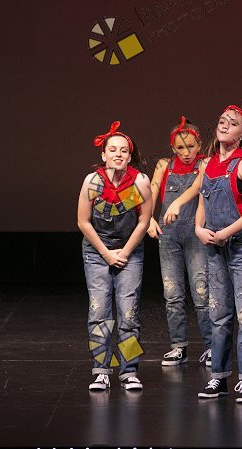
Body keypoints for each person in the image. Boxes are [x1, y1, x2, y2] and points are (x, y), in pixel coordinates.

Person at [182, 103, 242, 403]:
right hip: (215, 248)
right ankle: (219, 376)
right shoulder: (208, 165)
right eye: (222, 120)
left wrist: (226, 232)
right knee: (219, 314)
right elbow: (202, 204)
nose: (225, 124)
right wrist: (198, 228)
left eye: (233, 122)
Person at [77, 121, 152, 392]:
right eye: (112, 150)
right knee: (99, 312)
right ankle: (101, 370)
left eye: (123, 150)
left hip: (129, 250)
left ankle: (129, 370)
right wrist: (106, 254)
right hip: (98, 250)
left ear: (130, 156)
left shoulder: (140, 182)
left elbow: (144, 222)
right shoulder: (93, 181)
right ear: (103, 154)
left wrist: (125, 252)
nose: (118, 154)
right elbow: (83, 222)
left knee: (129, 313)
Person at [147, 117, 213, 368]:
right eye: (180, 148)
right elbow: (151, 193)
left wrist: (177, 203)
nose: (186, 153)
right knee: (172, 293)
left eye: (191, 147)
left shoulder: (205, 164)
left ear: (200, 145)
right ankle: (178, 346)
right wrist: (149, 219)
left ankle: (211, 346)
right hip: (169, 235)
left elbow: (197, 187)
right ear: (172, 148)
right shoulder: (164, 165)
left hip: (196, 234)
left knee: (201, 292)